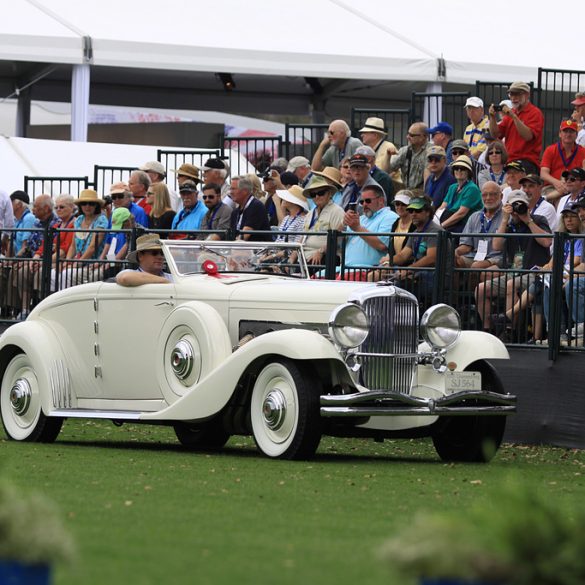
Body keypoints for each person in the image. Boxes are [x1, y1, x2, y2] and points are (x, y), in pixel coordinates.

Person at [475, 190, 552, 333]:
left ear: (528, 207)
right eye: (513, 207)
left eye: (520, 206)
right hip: (513, 272)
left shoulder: (538, 220)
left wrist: (528, 220)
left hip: (535, 272)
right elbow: (496, 246)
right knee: (481, 289)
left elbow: (547, 242)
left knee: (511, 285)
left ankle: (511, 331)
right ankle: (488, 330)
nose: (517, 211)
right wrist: (504, 219)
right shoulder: (508, 225)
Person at [338, 185, 397, 278]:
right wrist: (344, 223)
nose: (364, 204)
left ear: (381, 201)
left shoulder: (390, 217)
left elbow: (382, 245)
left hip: (367, 270)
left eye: (368, 201)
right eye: (362, 202)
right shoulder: (360, 218)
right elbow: (338, 241)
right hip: (344, 270)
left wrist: (357, 228)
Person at [389, 195, 442, 299]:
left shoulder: (434, 231)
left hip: (436, 276)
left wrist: (408, 270)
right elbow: (403, 256)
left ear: (427, 212)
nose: (413, 214)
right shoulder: (415, 232)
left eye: (417, 211)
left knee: (399, 286)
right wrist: (387, 262)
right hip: (421, 274)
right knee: (389, 279)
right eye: (411, 211)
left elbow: (431, 258)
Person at [488, 82, 544, 174]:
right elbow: (495, 134)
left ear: (527, 95)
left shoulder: (535, 113)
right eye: (511, 94)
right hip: (510, 161)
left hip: (527, 162)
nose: (513, 98)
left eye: (517, 94)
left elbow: (528, 136)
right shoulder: (511, 113)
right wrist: (492, 117)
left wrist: (514, 117)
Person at [58, 189, 108, 289]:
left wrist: (77, 263)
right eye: (84, 203)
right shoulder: (79, 220)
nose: (87, 206)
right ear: (80, 206)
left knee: (67, 274)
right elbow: (73, 246)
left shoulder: (101, 220)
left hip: (94, 264)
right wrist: (68, 261)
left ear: (96, 206)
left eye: (91, 204)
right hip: (80, 262)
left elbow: (93, 247)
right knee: (59, 273)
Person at [455, 181, 504, 270]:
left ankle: (472, 285)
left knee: (476, 266)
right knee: (454, 261)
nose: (488, 198)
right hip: (475, 256)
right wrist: (456, 252)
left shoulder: (507, 216)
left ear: (501, 196)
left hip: (497, 258)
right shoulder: (474, 217)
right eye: (484, 195)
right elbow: (467, 245)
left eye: (492, 194)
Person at [368, 190, 415, 282]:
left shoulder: (414, 225)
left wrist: (388, 261)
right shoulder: (396, 223)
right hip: (394, 264)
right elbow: (391, 250)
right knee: (372, 276)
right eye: (397, 204)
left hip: (407, 265)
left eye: (403, 204)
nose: (399, 207)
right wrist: (387, 262)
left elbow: (408, 255)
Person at [300, 176, 344, 266]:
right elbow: (303, 237)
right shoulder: (310, 213)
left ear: (329, 194)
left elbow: (338, 239)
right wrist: (293, 256)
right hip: (304, 256)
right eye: (313, 194)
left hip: (326, 257)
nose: (317, 196)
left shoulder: (337, 211)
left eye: (321, 193)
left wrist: (321, 251)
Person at [540, 119, 585, 205]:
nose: (568, 134)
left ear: (576, 135)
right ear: (560, 134)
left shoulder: (583, 152)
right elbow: (543, 174)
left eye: (571, 132)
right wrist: (557, 183)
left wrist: (568, 185)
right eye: (565, 131)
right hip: (552, 187)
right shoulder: (550, 150)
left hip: (575, 188)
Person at [437, 155, 483, 233]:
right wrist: (434, 222)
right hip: (451, 223)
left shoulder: (472, 188)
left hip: (465, 226)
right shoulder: (452, 187)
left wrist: (441, 226)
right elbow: (442, 207)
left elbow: (461, 214)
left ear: (468, 171)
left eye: (462, 168)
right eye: (456, 168)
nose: (459, 171)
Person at [358, 116, 401, 183]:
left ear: (375, 135)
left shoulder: (389, 147)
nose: (362, 135)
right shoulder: (367, 149)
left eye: (365, 132)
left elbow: (394, 172)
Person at [387, 122, 429, 190]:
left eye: (412, 135)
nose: (407, 137)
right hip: (407, 192)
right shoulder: (405, 151)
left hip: (423, 193)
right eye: (408, 134)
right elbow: (390, 168)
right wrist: (388, 156)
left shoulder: (431, 151)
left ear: (423, 136)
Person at [229, 176, 271, 241]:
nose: (230, 192)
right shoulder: (235, 212)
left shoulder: (256, 206)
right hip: (241, 248)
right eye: (230, 189)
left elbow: (244, 235)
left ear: (245, 191)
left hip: (258, 249)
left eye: (233, 189)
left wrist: (231, 247)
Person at [9, 190, 36, 257]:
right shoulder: (15, 220)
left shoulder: (28, 218)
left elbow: (25, 247)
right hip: (17, 259)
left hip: (23, 260)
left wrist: (12, 261)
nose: (8, 204)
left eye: (10, 202)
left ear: (19, 204)